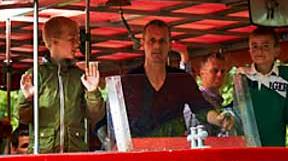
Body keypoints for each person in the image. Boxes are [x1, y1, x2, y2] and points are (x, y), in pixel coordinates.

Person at [120, 21, 232, 137]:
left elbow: (201, 108)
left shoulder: (182, 79)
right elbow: (116, 121)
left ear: (170, 45)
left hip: (175, 149)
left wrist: (219, 119)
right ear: (143, 44)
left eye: (162, 41)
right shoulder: (128, 81)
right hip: (139, 151)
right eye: (152, 41)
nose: (157, 46)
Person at [16, 16, 104, 152]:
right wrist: (27, 98)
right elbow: (23, 118)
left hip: (75, 152)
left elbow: (95, 116)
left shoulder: (79, 76)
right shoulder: (37, 75)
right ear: (54, 42)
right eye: (71, 39)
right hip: (43, 152)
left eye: (77, 39)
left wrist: (92, 91)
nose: (77, 44)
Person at [232, 27, 288, 147]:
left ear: (276, 50)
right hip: (247, 148)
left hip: (276, 148)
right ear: (249, 50)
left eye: (265, 46)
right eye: (254, 46)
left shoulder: (286, 74)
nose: (259, 51)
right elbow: (238, 114)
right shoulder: (242, 77)